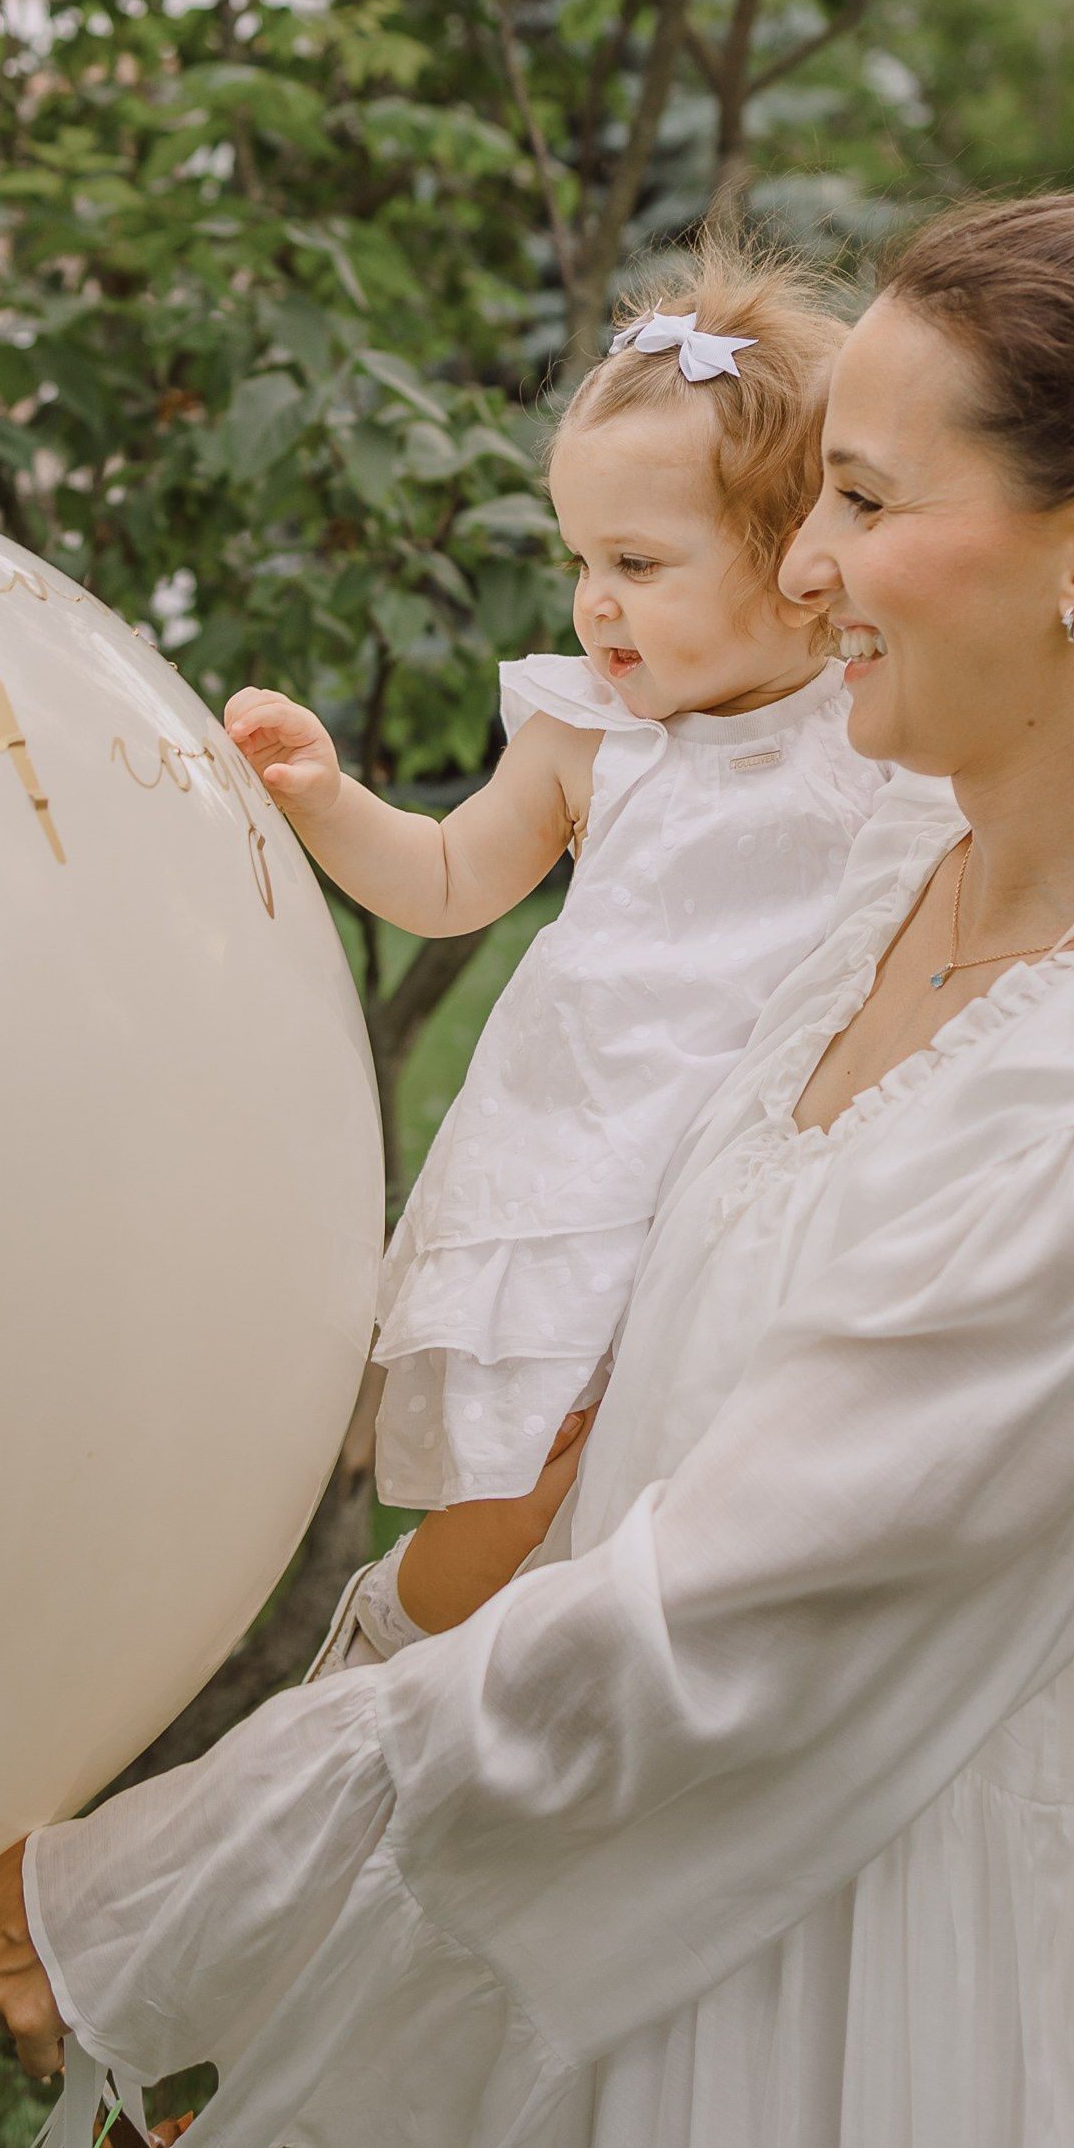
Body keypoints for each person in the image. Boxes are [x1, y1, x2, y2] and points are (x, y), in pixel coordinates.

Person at [0, 158, 1074, 2148]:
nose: (799, 571)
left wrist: (168, 1899)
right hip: (702, 1922)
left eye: (856, 500)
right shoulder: (913, 865)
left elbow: (723, 1630)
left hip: (924, 2046)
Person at [226, 239, 886, 1654]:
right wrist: (331, 800)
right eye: (582, 560)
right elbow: (453, 876)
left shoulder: (876, 734)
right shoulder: (589, 731)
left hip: (753, 1174)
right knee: (531, 1467)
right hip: (589, 1156)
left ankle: (585, 1711)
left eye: (638, 563)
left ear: (803, 573)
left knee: (687, 1499)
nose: (595, 602)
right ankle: (386, 1666)